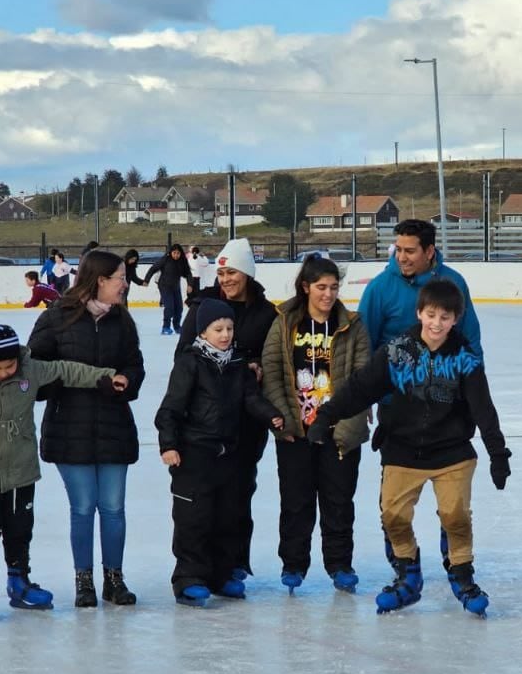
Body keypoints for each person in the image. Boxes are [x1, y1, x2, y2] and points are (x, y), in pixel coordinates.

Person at [307, 279, 511, 617]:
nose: (436, 324)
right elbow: (360, 388)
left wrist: (498, 453)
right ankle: (408, 575)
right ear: (419, 313)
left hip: (452, 451)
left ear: (456, 319)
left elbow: (483, 409)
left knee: (455, 514)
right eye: (430, 315)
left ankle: (462, 575)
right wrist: (326, 416)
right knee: (393, 515)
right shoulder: (397, 351)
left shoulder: (465, 359)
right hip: (402, 448)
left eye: (445, 318)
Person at [0, 324, 127, 616]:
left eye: (9, 366)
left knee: (20, 529)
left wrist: (106, 375)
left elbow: (66, 370)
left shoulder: (30, 371)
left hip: (21, 470)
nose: (3, 373)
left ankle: (19, 581)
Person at [27, 250, 146, 608]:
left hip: (114, 424)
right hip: (69, 426)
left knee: (113, 508)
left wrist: (127, 380)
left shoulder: (122, 321)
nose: (125, 284)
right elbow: (35, 369)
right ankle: (84, 581)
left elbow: (135, 364)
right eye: (120, 277)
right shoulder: (57, 318)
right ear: (100, 280)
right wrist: (60, 386)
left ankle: (114, 579)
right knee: (82, 508)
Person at [155, 300, 283, 607]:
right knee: (193, 518)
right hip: (195, 453)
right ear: (203, 332)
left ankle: (221, 575)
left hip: (229, 453)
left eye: (229, 328)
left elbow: (250, 398)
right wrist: (169, 445)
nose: (225, 335)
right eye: (218, 329)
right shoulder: (190, 362)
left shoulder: (238, 362)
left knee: (228, 517)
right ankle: (189, 578)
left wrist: (271, 415)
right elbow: (170, 408)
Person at [261, 256, 370, 594]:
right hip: (296, 430)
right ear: (306, 287)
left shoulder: (353, 325)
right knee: (296, 501)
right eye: (321, 287)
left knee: (339, 501)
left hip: (339, 430)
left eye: (334, 287)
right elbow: (273, 371)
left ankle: (340, 564)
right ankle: (293, 564)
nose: (328, 294)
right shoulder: (285, 323)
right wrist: (285, 419)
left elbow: (362, 378)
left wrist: (348, 423)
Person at [176, 237, 278, 577]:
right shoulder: (203, 307)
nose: (226, 280)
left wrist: (258, 366)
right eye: (221, 274)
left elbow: (276, 358)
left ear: (247, 273)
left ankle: (233, 564)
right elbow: (184, 358)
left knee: (237, 497)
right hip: (203, 426)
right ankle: (198, 569)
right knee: (201, 503)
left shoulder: (266, 314)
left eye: (232, 272)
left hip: (245, 423)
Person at [357, 218, 482, 359]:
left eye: (409, 251)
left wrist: (475, 377)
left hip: (443, 376)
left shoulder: (454, 282)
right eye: (398, 250)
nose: (401, 258)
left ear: (429, 252)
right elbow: (362, 344)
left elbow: (470, 337)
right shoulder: (379, 287)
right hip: (393, 377)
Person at [143, 243, 193, 335]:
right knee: (169, 307)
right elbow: (153, 268)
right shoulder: (165, 259)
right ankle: (166, 327)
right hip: (164, 286)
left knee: (179, 308)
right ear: (171, 253)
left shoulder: (182, 261)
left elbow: (188, 273)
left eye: (178, 253)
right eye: (174, 253)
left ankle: (177, 326)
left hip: (175, 287)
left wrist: (190, 284)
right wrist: (147, 280)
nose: (176, 255)